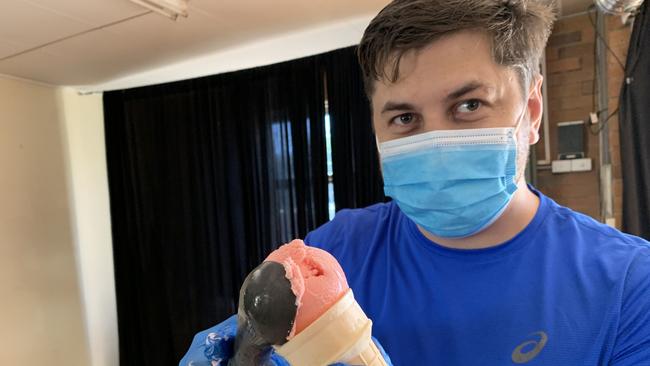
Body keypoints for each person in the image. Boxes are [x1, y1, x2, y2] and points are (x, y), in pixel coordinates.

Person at [181, 0, 650, 365]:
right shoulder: (335, 253)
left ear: (530, 112)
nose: (437, 141)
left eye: (468, 106)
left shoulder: (630, 286)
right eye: (405, 116)